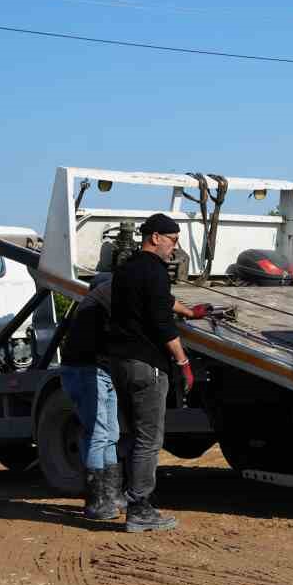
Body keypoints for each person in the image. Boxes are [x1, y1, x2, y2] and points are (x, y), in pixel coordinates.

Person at [102, 213, 208, 532]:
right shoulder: (156, 271)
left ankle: (116, 496)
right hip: (147, 365)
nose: (174, 249)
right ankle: (140, 507)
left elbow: (154, 300)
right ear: (156, 237)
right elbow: (161, 323)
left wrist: (188, 310)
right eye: (173, 241)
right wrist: (183, 362)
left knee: (128, 434)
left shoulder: (126, 268)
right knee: (149, 438)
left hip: (119, 362)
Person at [58, 273, 122, 521]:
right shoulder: (92, 313)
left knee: (111, 433)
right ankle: (96, 501)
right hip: (87, 372)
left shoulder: (93, 310)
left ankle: (112, 494)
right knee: (98, 433)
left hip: (100, 372)